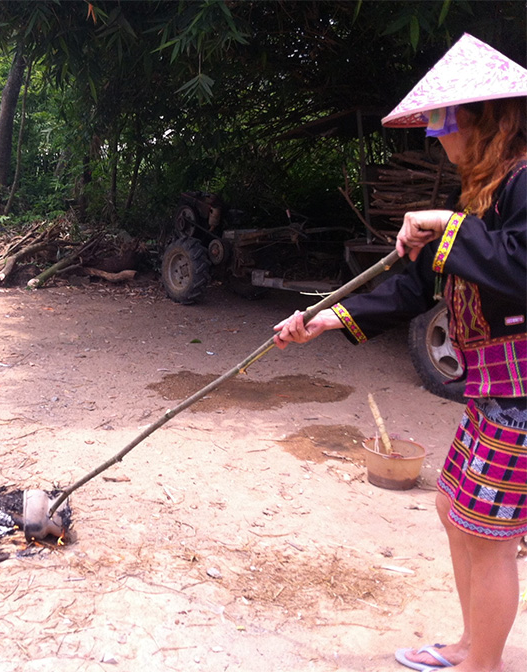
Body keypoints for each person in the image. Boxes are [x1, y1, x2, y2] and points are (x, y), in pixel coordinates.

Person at [273, 34, 526, 672]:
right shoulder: (480, 194)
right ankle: (470, 646)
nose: (435, 137)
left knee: (490, 536)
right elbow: (414, 287)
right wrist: (325, 318)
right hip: (493, 389)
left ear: (483, 119)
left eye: (442, 122)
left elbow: (519, 265)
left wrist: (446, 224)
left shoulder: (524, 183)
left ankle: (483, 665)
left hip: (521, 392)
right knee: (453, 510)